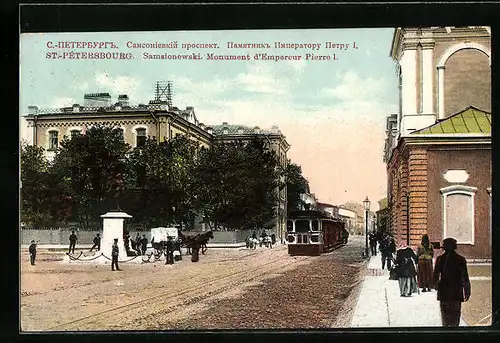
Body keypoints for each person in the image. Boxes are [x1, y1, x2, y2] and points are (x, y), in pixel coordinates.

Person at [433, 237, 470, 327]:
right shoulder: (461, 259)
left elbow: (435, 276)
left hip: (444, 292)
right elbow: (465, 277)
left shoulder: (440, 259)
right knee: (456, 316)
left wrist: (437, 286)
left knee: (445, 317)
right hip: (457, 292)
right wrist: (467, 291)